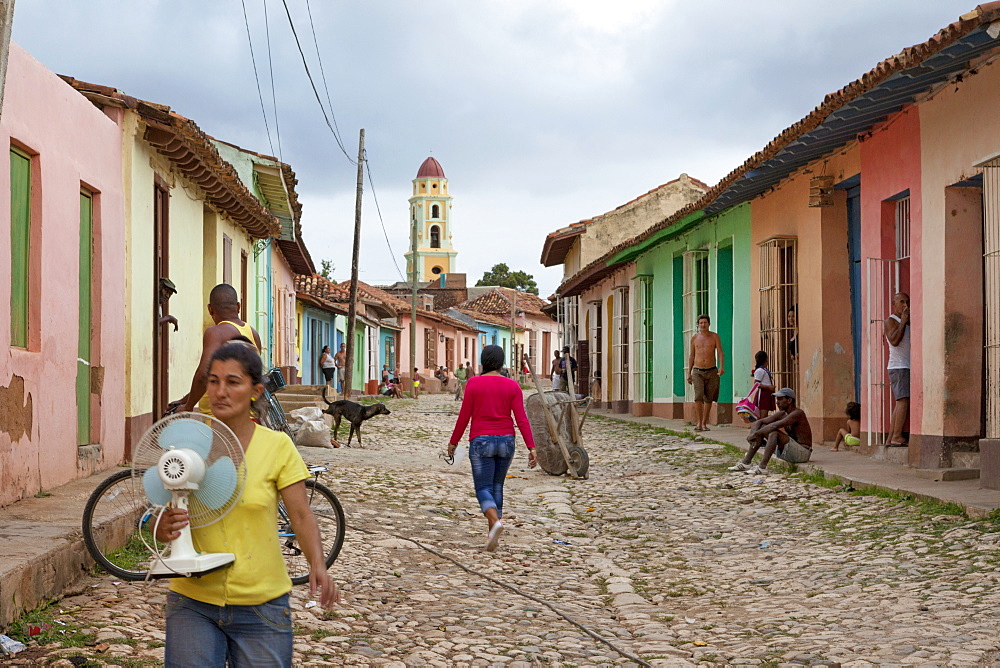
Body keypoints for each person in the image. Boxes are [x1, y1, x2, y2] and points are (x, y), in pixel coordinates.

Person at [156, 342, 339, 666]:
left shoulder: (277, 446)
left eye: (233, 382)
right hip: (192, 601)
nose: (220, 391)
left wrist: (317, 564)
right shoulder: (185, 446)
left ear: (255, 391)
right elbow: (156, 515)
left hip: (262, 604)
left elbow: (300, 513)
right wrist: (161, 527)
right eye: (213, 381)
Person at [448, 345, 537, 552]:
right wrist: (532, 447)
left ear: (484, 360)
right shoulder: (512, 386)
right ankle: (492, 535)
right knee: (497, 486)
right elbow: (521, 419)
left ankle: (495, 523)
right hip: (507, 441)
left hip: (481, 441)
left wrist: (453, 442)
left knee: (483, 488)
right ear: (501, 362)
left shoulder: (474, 384)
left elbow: (464, 416)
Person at [181, 284, 262, 414]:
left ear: (210, 309)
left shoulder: (216, 332)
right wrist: (185, 400)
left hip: (221, 419)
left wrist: (188, 406)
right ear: (238, 307)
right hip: (247, 414)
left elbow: (203, 374)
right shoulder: (253, 334)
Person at [728, 388, 812, 474]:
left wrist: (756, 434)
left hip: (802, 453)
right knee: (763, 427)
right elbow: (760, 421)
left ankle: (762, 467)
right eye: (777, 399)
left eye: (780, 399)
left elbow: (774, 425)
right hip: (790, 450)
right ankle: (746, 462)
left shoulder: (797, 413)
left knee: (773, 433)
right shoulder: (782, 413)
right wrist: (753, 433)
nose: (777, 402)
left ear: (789, 400)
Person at [687, 314, 724, 432]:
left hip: (711, 370)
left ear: (709, 324)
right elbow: (692, 355)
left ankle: (704, 423)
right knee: (698, 396)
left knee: (708, 398)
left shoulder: (714, 337)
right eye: (701, 323)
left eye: (705, 322)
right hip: (697, 371)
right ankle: (698, 422)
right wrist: (689, 372)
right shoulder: (694, 338)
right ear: (698, 325)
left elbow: (720, 352)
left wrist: (721, 367)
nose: (703, 325)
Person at [884, 292, 910, 446]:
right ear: (894, 304)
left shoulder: (906, 321)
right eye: (901, 302)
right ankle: (897, 436)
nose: (905, 305)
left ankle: (890, 438)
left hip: (905, 365)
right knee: (903, 401)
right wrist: (903, 322)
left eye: (907, 302)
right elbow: (894, 341)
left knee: (901, 401)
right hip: (899, 366)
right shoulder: (891, 321)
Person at [752, 350, 775, 419]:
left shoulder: (764, 370)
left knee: (765, 414)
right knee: (763, 415)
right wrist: (768, 387)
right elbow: (756, 384)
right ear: (766, 359)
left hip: (767, 394)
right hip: (763, 394)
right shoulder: (760, 370)